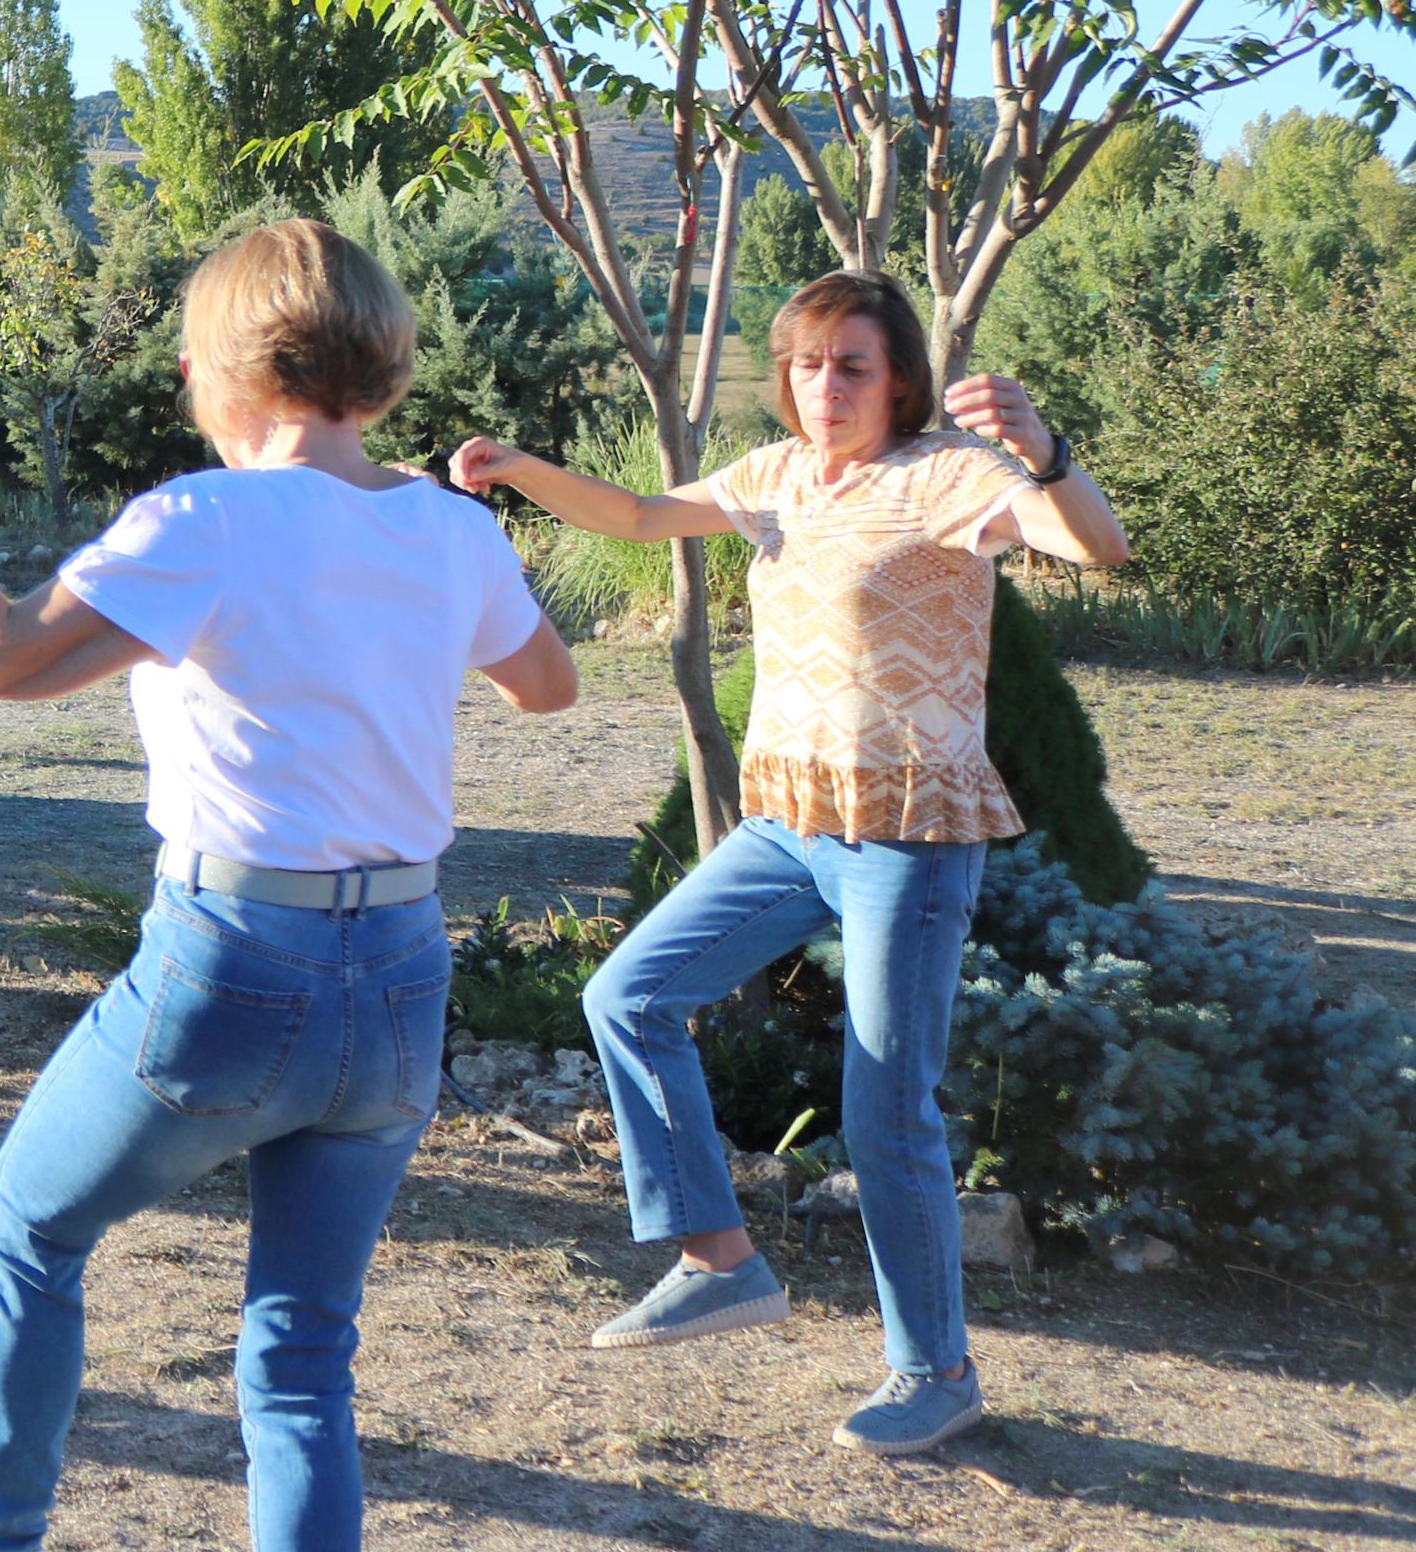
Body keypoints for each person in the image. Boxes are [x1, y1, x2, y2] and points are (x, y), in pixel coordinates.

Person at [0, 219, 576, 1552]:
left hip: (233, 958)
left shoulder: (203, 516)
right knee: (299, 1360)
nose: (176, 375)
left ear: (234, 362)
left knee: (28, 1217)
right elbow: (548, 686)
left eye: (186, 352)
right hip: (401, 975)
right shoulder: (447, 531)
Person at [450, 268, 1129, 1458]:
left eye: (851, 365)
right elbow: (636, 515)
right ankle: (718, 1260)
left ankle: (936, 1371)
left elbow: (1096, 548)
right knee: (628, 994)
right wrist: (513, 469)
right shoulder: (770, 475)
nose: (824, 388)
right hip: (783, 824)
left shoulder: (948, 475)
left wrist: (1046, 453)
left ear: (899, 376)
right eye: (807, 365)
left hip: (903, 841)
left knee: (884, 1115)